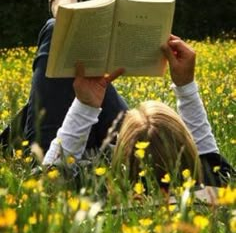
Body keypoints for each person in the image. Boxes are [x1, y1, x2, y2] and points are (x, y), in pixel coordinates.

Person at [43, 34, 235, 189]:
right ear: (191, 155)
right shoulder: (213, 192)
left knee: (54, 33)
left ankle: (63, 7)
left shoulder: (98, 195)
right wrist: (185, 85)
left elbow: (49, 180)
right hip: (98, 157)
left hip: (78, 154)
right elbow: (210, 161)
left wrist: (84, 106)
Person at [22, 0, 128, 155]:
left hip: (60, 160)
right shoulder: (194, 170)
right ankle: (68, 17)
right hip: (136, 146)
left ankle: (66, 18)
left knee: (56, 31)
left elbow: (53, 174)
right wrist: (184, 85)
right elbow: (198, 157)